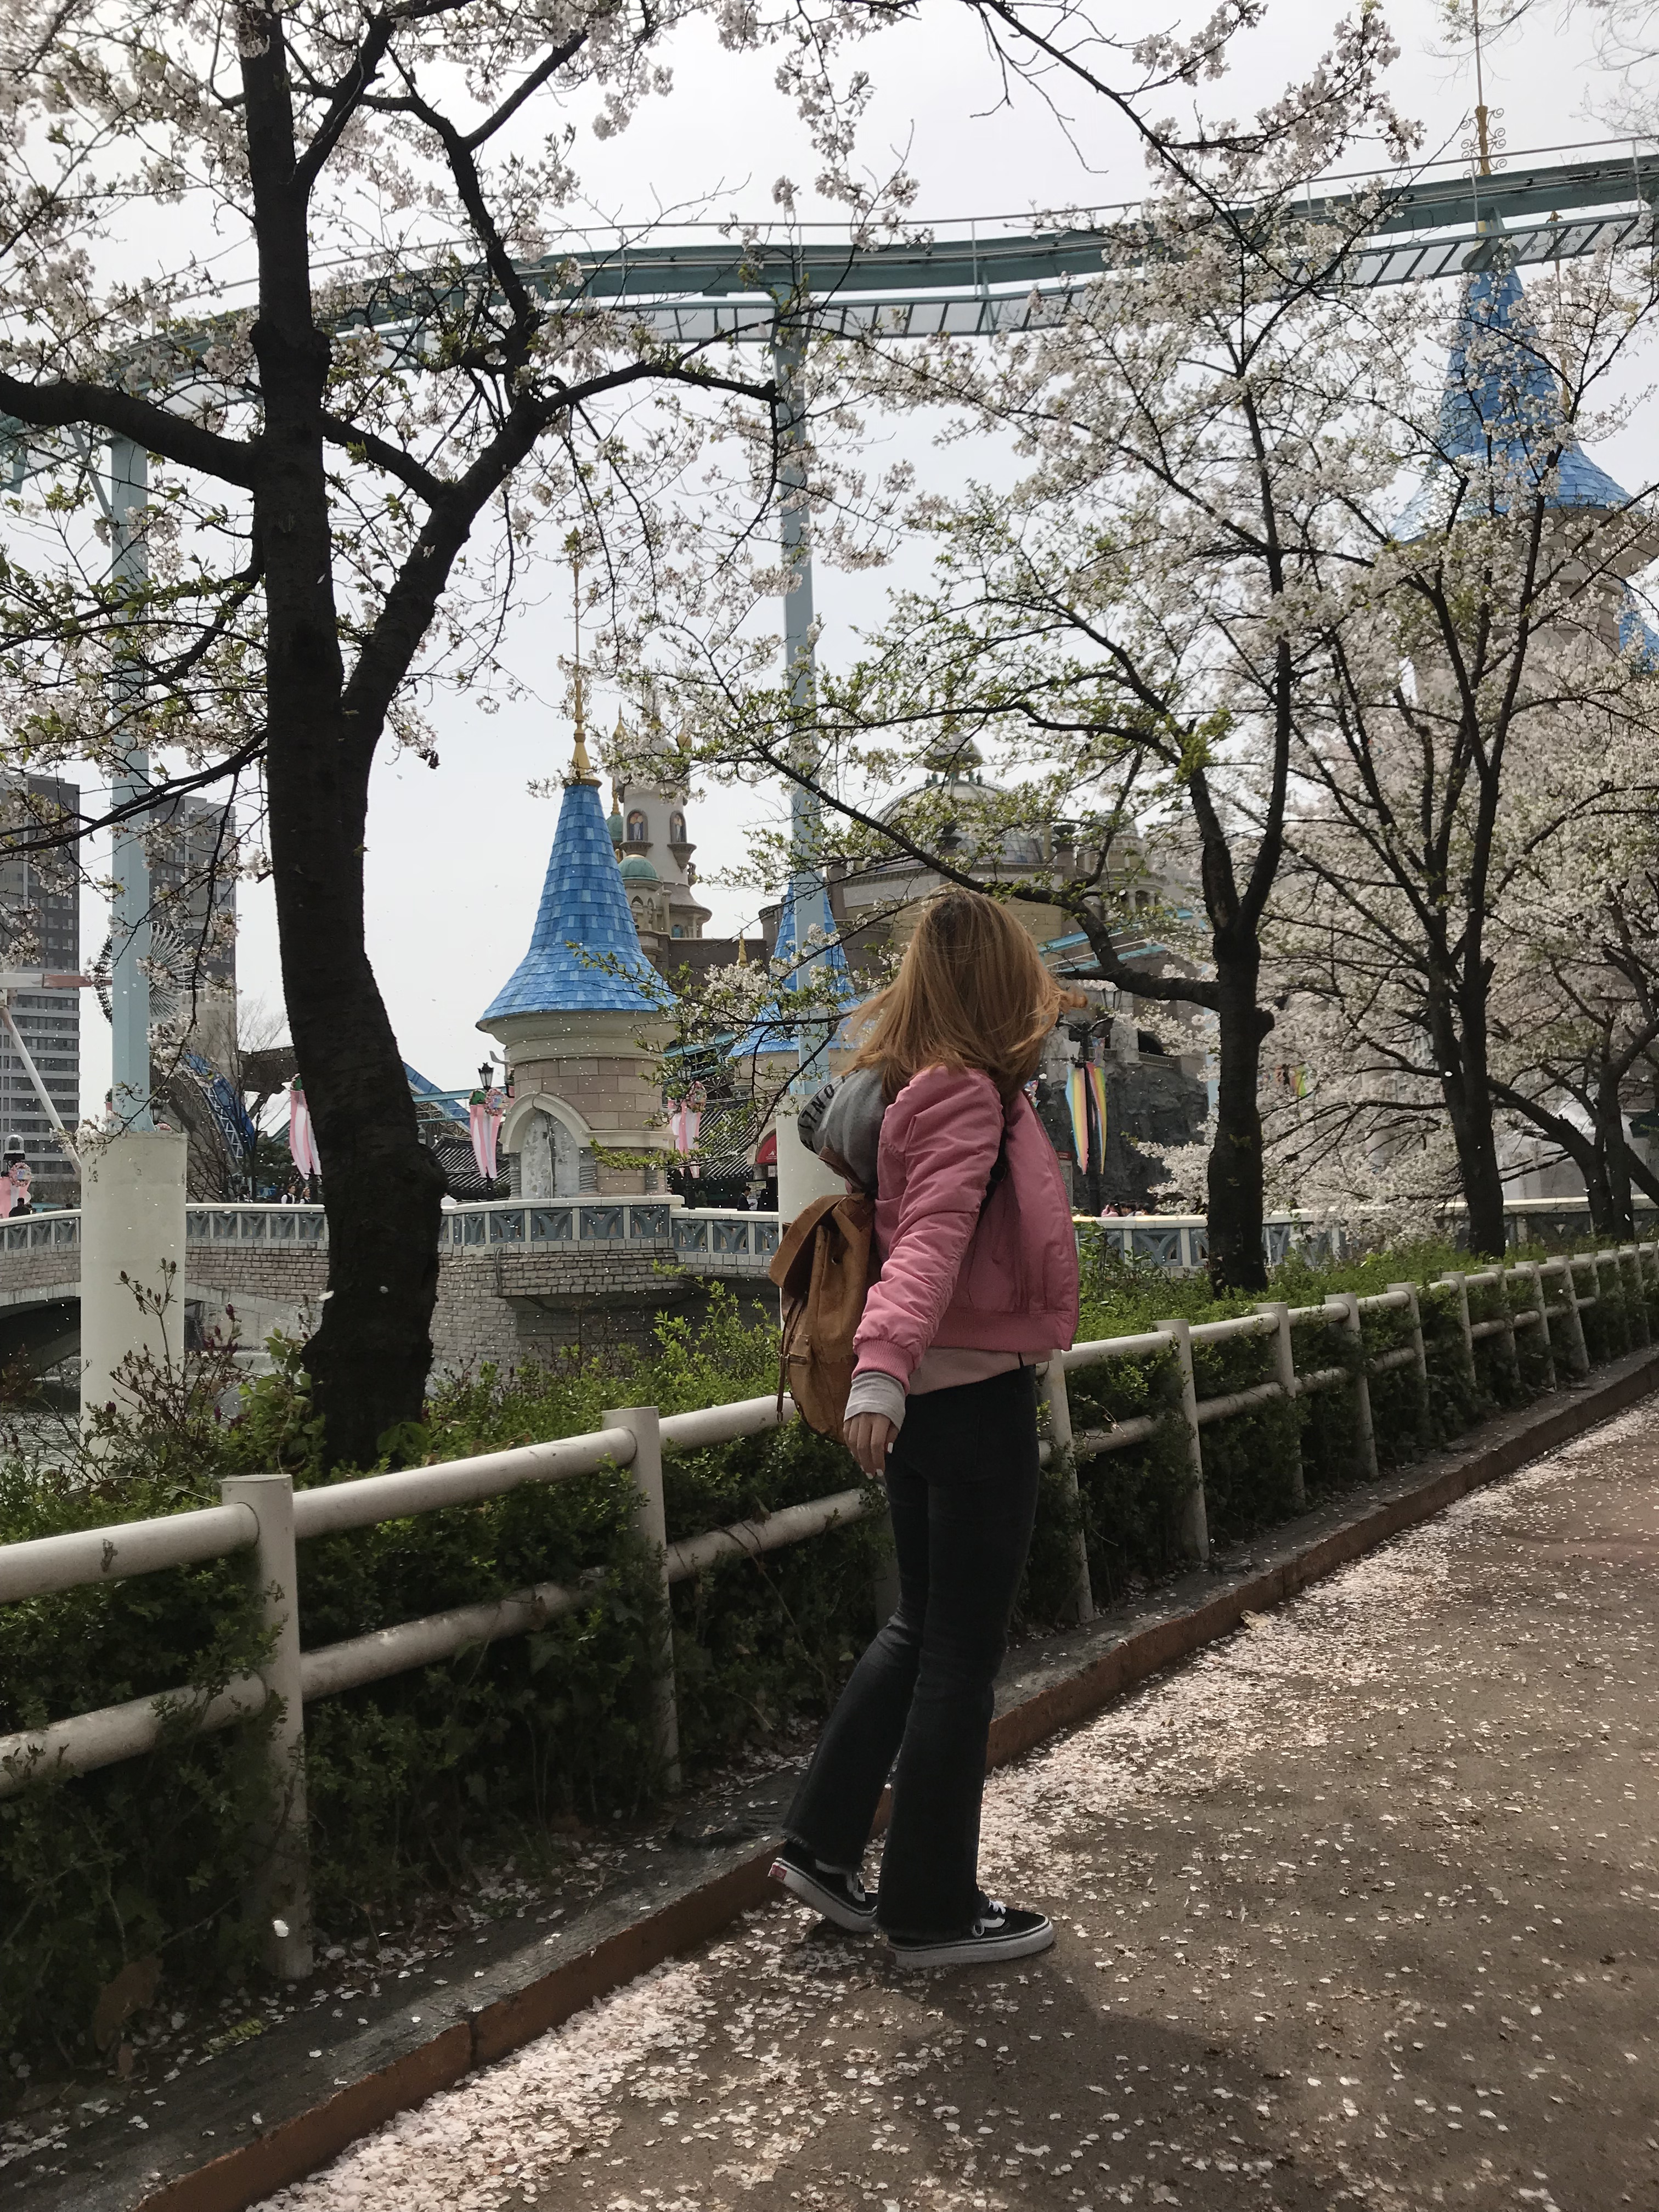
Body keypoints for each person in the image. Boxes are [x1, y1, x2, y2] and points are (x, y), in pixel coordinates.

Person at [770, 888, 1080, 1967]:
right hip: (969, 1396)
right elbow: (933, 1243)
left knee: (919, 1631)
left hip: (924, 1403)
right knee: (959, 1656)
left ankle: (822, 1847)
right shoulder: (966, 1097)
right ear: (1003, 984)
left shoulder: (911, 1091)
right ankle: (932, 1907)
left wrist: (890, 1381)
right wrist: (881, 1372)